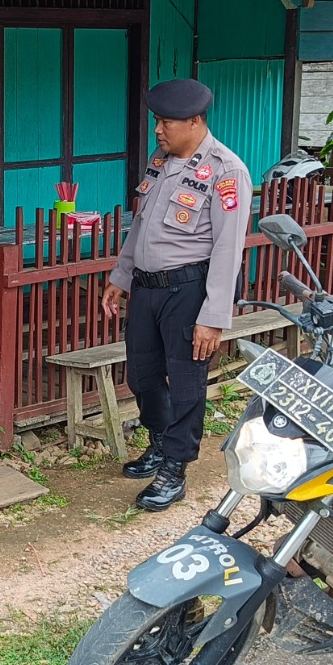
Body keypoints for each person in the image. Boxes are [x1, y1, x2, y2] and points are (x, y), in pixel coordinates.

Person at [102, 79, 252, 511]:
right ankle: (158, 443)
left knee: (186, 383)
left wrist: (213, 316)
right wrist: (121, 274)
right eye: (156, 121)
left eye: (165, 122)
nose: (158, 130)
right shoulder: (160, 162)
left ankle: (175, 468)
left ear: (194, 121)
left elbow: (228, 250)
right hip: (147, 290)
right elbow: (142, 225)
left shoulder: (226, 171)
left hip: (189, 292)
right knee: (143, 375)